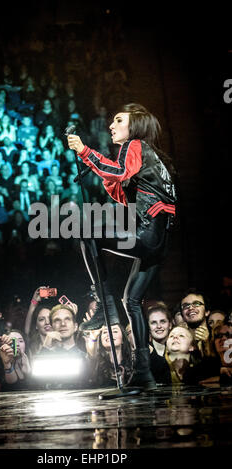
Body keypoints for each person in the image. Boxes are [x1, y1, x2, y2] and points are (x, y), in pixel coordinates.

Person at [67, 103, 177, 390]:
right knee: (133, 300)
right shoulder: (157, 159)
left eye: (118, 120)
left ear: (135, 126)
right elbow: (124, 189)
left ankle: (104, 307)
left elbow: (116, 171)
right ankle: (143, 371)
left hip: (147, 231)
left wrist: (84, 151)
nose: (112, 126)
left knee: (84, 231)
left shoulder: (135, 144)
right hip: (162, 240)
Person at [90, 323, 134, 388]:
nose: (109, 334)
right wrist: (93, 338)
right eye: (105, 332)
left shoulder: (133, 361)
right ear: (101, 340)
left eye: (115, 331)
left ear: (123, 339)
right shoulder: (96, 364)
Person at [180, 288, 211, 357]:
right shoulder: (178, 341)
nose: (190, 308)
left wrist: (207, 344)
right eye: (185, 305)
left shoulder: (218, 337)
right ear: (182, 315)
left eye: (196, 304)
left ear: (207, 311)